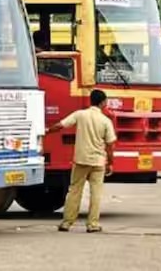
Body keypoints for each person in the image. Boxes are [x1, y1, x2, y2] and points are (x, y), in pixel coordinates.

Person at [46, 89, 117, 233]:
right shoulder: (106, 121)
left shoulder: (80, 115)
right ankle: (93, 224)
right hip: (98, 162)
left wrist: (47, 130)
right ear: (103, 103)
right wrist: (110, 162)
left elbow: (60, 125)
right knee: (96, 193)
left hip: (81, 160)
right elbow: (110, 145)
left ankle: (67, 223)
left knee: (74, 191)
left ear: (90, 100)